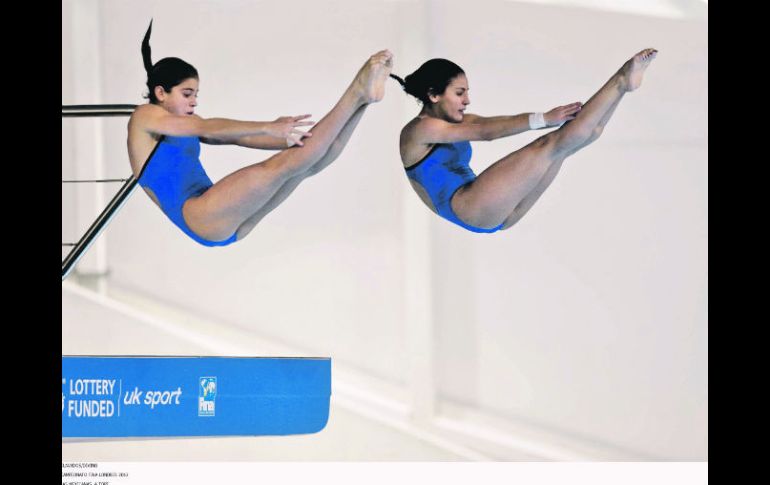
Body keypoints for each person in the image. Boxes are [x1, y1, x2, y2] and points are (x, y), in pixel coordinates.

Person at [128, 21, 393, 246]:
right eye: (187, 94)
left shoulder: (186, 122)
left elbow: (238, 136)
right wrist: (267, 125)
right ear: (161, 93)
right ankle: (356, 90)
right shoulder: (145, 116)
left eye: (196, 95)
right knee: (285, 165)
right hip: (200, 214)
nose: (194, 102)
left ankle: (363, 101)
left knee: (308, 162)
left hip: (225, 222)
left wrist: (286, 137)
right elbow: (204, 127)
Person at [391, 48, 657, 233]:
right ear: (434, 95)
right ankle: (622, 79)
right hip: (472, 206)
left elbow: (493, 123)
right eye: (460, 93)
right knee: (552, 144)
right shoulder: (419, 131)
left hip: (499, 214)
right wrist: (543, 118)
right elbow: (486, 132)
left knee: (574, 142)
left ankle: (624, 87)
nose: (467, 100)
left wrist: (545, 119)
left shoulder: (461, 120)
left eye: (467, 92)